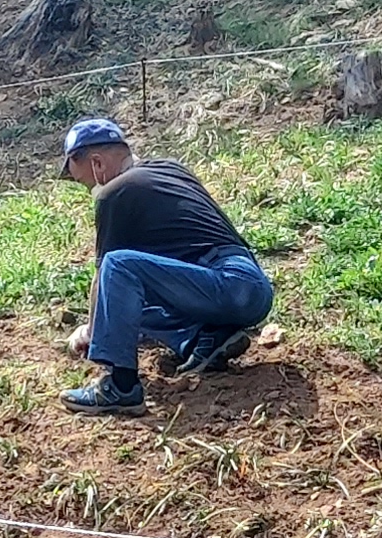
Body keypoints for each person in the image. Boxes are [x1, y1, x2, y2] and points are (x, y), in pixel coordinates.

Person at [55, 118, 274, 417]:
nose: (89, 190)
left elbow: (106, 272)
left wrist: (92, 333)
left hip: (227, 283)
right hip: (250, 288)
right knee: (127, 306)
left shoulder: (114, 193)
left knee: (117, 266)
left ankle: (121, 386)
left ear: (97, 164)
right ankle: (205, 340)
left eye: (85, 183)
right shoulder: (170, 169)